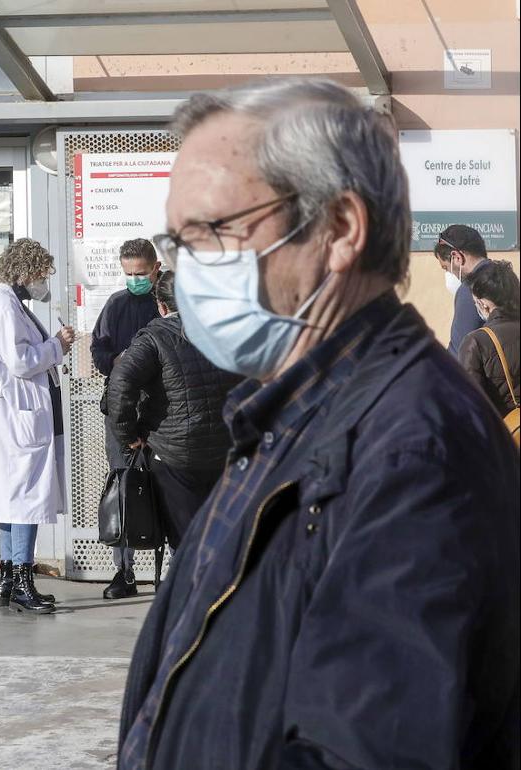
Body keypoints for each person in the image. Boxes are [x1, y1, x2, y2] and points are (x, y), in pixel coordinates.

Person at [118, 78, 519, 769]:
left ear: (338, 231)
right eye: (177, 241)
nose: (189, 271)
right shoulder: (291, 420)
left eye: (213, 231)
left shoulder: (411, 452)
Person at [106, 271, 241, 567]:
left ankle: (189, 600)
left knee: (185, 539)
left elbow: (120, 382)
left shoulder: (155, 337)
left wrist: (127, 435)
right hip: (222, 449)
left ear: (161, 305)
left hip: (173, 454)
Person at [0, 238, 73, 615]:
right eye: (41, 274)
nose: (42, 282)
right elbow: (19, 360)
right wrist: (57, 345)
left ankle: (8, 578)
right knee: (25, 501)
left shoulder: (7, 302)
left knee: (11, 499)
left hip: (14, 415)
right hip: (16, 417)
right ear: (25, 272)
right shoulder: (4, 303)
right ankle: (23, 583)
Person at [89, 238, 161, 600]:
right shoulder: (116, 304)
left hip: (162, 409)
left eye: (141, 273)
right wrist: (115, 362)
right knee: (123, 488)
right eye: (129, 273)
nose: (135, 279)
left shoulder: (165, 304)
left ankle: (172, 568)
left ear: (155, 267)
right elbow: (98, 351)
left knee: (167, 486)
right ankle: (125, 571)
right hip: (122, 408)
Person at [460, 259, 520, 419]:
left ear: (483, 304)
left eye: (476, 302)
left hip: (506, 437)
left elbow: (471, 409)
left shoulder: (476, 342)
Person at [435, 223, 490, 354]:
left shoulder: (469, 290)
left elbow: (459, 351)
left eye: (446, 268)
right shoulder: (508, 277)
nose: (448, 274)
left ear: (457, 258)